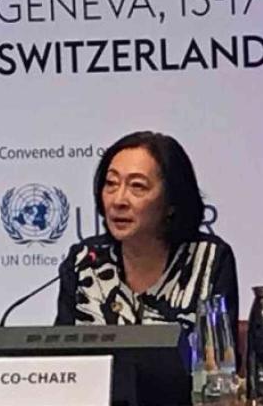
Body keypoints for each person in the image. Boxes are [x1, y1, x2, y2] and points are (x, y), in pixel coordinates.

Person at [55, 131, 239, 336]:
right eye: (111, 184)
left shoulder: (207, 260)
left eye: (137, 186)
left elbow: (219, 350)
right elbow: (61, 350)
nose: (118, 200)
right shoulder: (85, 260)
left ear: (171, 201)